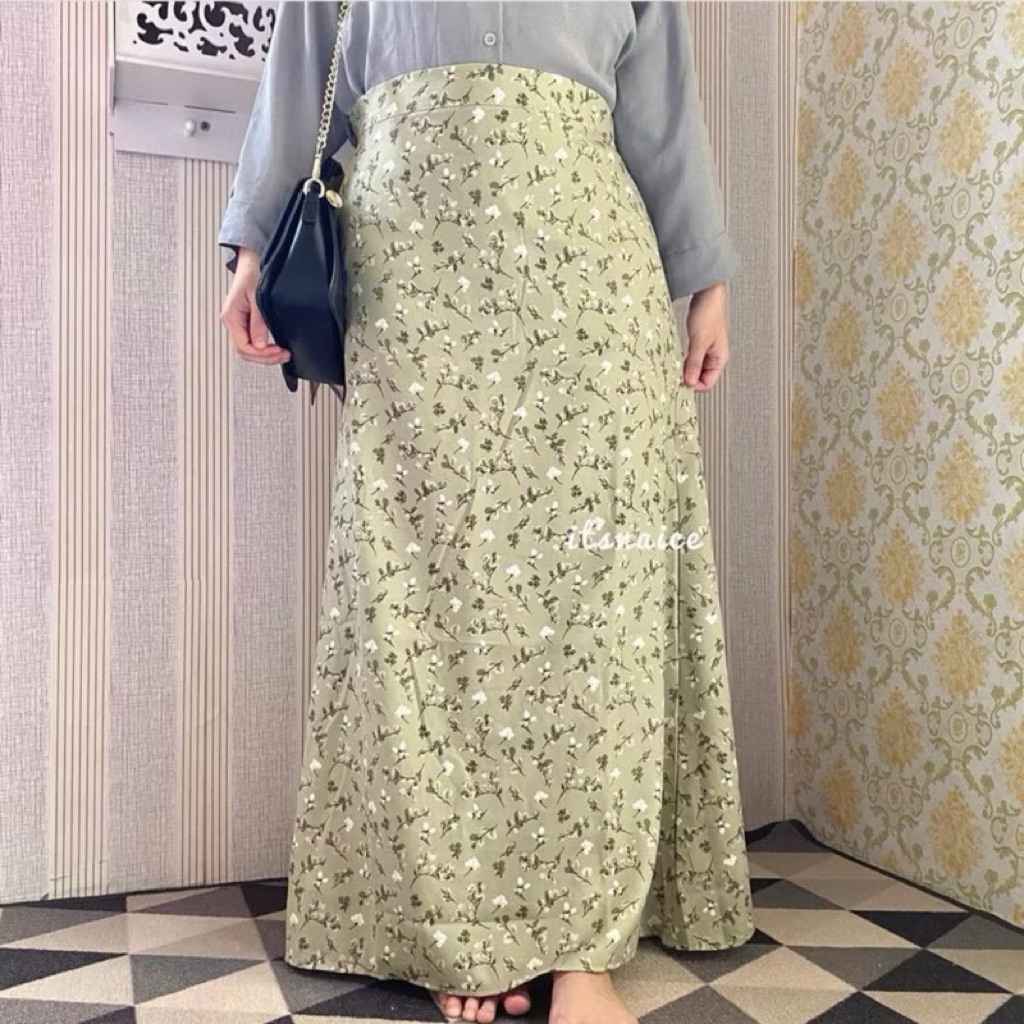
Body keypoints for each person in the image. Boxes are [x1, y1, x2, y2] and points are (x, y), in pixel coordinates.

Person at [218, 3, 754, 1023]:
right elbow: (298, 86)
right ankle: (457, 917)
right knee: (426, 599)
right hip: (411, 280)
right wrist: (249, 253)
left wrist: (707, 282)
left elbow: (661, 114)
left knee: (597, 604)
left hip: (593, 275)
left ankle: (582, 944)